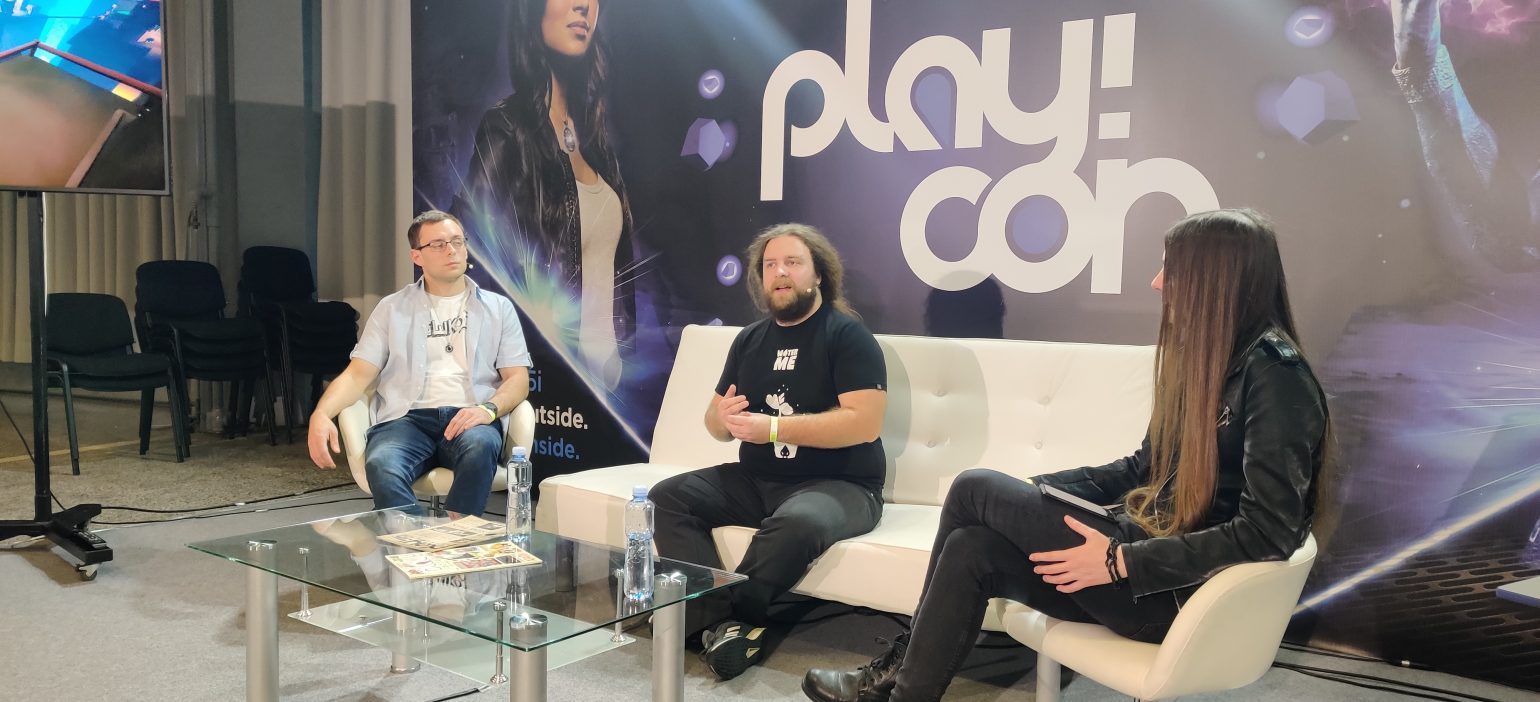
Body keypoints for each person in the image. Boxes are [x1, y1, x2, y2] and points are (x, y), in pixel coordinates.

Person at [803, 209, 1330, 702]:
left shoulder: (1275, 376)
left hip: (1177, 595)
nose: (1156, 282)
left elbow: (1268, 532)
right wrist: (1037, 493)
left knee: (972, 487)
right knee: (972, 547)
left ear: (1215, 280)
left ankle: (895, 673)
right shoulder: (1206, 360)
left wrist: (1122, 561)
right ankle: (902, 689)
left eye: (1170, 269)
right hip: (1144, 557)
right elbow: (1141, 469)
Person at [649, 223, 889, 680]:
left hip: (842, 484)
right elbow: (715, 424)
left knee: (798, 523)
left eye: (793, 263)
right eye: (770, 265)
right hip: (757, 480)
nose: (780, 273)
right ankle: (718, 620)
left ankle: (723, 617)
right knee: (667, 498)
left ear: (819, 274)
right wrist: (725, 419)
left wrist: (774, 427)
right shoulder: (750, 340)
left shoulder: (847, 335)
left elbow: (865, 422)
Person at [452, 0, 635, 390]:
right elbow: (463, 246)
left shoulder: (598, 143)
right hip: (550, 378)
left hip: (612, 382)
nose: (583, 6)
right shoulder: (507, 129)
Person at [307, 210, 532, 518]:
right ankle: (413, 540)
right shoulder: (392, 308)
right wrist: (321, 414)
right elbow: (358, 375)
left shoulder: (498, 308)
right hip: (405, 419)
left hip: (471, 414)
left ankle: (460, 535)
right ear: (417, 256)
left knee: (480, 447)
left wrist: (488, 410)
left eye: (457, 241)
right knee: (382, 464)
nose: (451, 251)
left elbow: (518, 379)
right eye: (438, 244)